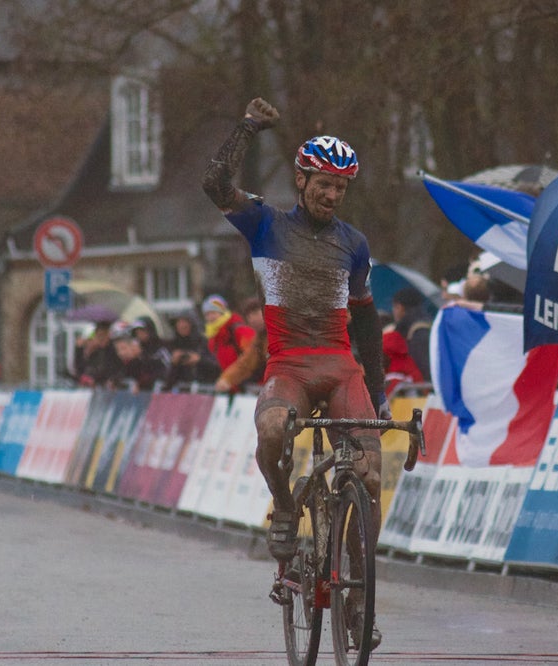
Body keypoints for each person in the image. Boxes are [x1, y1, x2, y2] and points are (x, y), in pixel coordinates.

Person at [202, 97, 387, 648]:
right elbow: (215, 184)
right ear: (302, 181)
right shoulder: (264, 224)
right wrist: (247, 126)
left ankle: (358, 599)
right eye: (323, 184)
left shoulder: (354, 245)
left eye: (341, 188)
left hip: (339, 368)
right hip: (288, 365)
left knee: (370, 475)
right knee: (271, 430)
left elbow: (370, 325)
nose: (331, 195)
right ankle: (284, 504)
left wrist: (376, 399)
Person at [214, 298, 268, 394]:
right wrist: (226, 379)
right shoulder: (259, 339)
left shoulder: (280, 334)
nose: (252, 319)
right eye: (248, 316)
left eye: (255, 313)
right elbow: (245, 363)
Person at [202, 294, 256, 377]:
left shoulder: (238, 330)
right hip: (230, 383)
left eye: (213, 313)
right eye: (207, 314)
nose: (210, 317)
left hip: (249, 381)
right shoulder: (212, 337)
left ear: (222, 312)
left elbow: (254, 356)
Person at [387, 286, 432, 383]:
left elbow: (423, 368)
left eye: (394, 307)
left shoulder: (413, 332)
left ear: (400, 307)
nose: (393, 311)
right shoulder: (429, 324)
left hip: (420, 390)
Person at [164, 311, 219, 390]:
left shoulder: (205, 343)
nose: (181, 325)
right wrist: (174, 364)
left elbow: (218, 367)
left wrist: (200, 360)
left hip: (205, 390)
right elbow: (166, 381)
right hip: (182, 392)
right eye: (178, 322)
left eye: (184, 322)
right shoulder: (172, 345)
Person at [110, 323, 170, 392]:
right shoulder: (132, 361)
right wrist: (115, 381)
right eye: (118, 350)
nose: (121, 353)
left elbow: (162, 376)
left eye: (123, 348)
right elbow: (127, 374)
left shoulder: (153, 356)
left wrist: (140, 385)